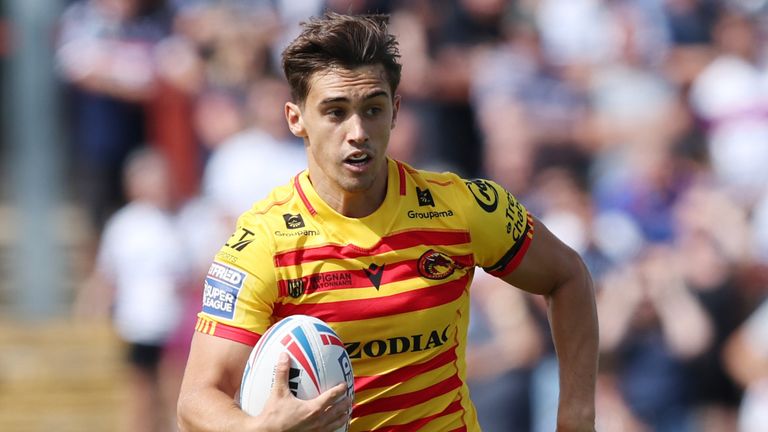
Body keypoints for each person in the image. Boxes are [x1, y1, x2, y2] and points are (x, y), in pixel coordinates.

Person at [177, 12, 598, 432]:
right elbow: (197, 400)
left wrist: (576, 418)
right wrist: (261, 430)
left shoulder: (461, 208)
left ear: (395, 111)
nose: (358, 131)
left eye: (372, 109)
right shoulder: (262, 243)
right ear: (295, 119)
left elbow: (568, 276)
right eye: (335, 112)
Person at [75, 147, 190, 431]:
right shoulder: (124, 224)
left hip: (173, 321)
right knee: (141, 394)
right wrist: (93, 304)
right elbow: (107, 273)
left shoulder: (176, 221)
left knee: (175, 391)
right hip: (139, 321)